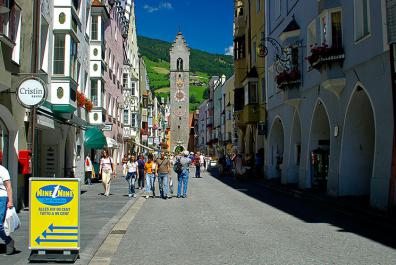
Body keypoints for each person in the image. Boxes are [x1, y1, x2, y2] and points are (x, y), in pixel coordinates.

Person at [0, 165, 15, 255]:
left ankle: (8, 240)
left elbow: (8, 186)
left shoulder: (2, 170)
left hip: (2, 198)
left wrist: (10, 201)